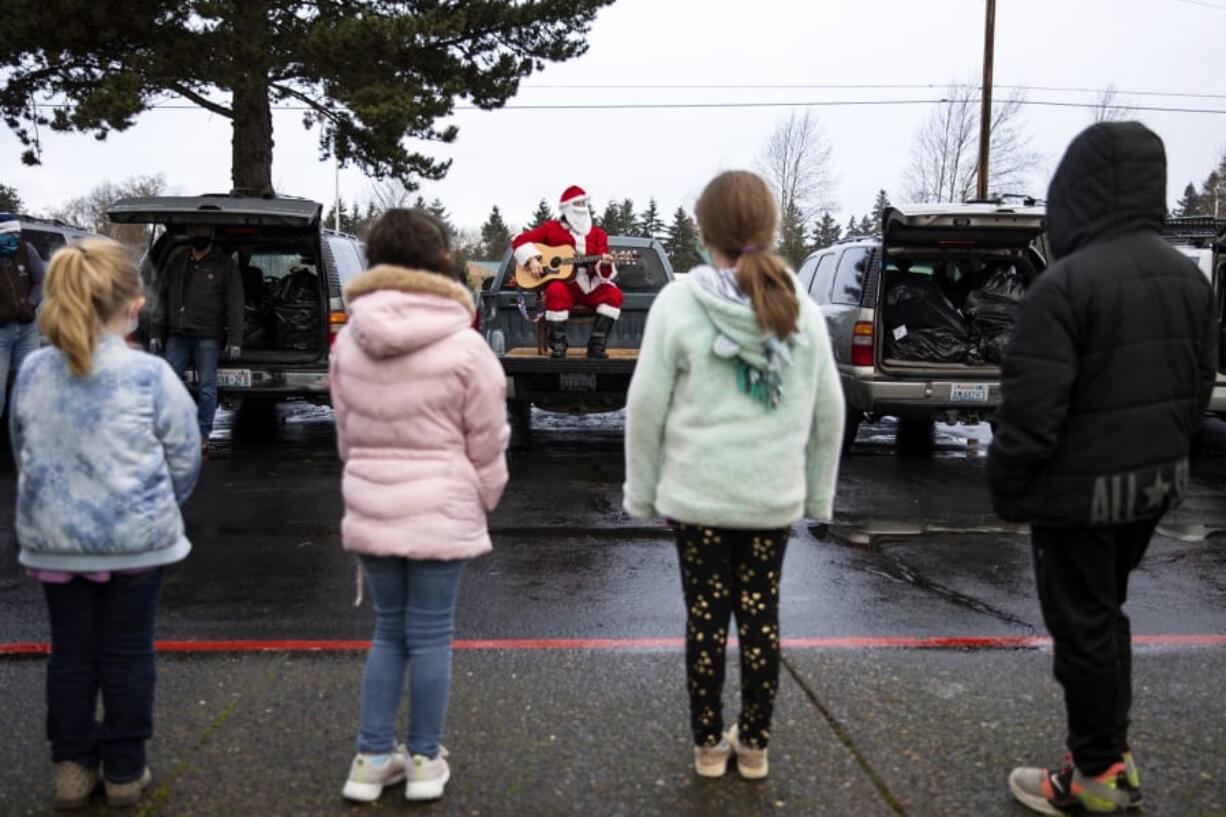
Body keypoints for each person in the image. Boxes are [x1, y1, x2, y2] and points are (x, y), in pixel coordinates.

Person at [988, 122, 1217, 815]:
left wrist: (1010, 486)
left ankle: (1093, 777)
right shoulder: (1188, 277)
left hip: (1078, 496)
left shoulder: (1065, 285)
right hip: (1149, 486)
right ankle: (1108, 752)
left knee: (1081, 626)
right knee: (1105, 616)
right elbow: (1198, 385)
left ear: (1076, 192)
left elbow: (1032, 408)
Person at [623, 170, 845, 780]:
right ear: (769, 227)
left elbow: (646, 405)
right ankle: (754, 747)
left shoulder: (677, 303)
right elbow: (830, 410)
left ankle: (706, 748)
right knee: (760, 617)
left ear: (703, 231)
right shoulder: (797, 304)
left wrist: (642, 492)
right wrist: (817, 495)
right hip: (771, 498)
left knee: (704, 618)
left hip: (697, 498)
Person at [9, 238, 201, 810]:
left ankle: (71, 768)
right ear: (135, 303)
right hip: (136, 545)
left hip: (56, 544)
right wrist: (162, 503)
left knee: (70, 655)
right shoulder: (149, 375)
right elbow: (185, 456)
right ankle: (123, 770)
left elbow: (25, 451)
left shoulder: (33, 371)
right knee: (127, 655)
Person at [329, 208, 509, 803]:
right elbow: (487, 438)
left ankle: (371, 759)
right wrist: (483, 494)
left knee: (387, 632)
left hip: (373, 506)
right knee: (432, 636)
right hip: (442, 508)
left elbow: (346, 435)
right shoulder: (465, 345)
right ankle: (426, 761)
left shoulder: (348, 343)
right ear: (438, 259)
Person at [151, 225, 244, 451]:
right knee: (168, 385)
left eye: (201, 233)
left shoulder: (224, 265)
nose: (197, 237)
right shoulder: (178, 263)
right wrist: (156, 333)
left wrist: (234, 339)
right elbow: (162, 299)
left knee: (207, 388)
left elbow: (234, 304)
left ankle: (202, 436)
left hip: (207, 336)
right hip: (178, 334)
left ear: (211, 236)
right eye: (193, 233)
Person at [511, 185, 622, 359]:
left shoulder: (598, 234)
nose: (583, 208)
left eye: (585, 203)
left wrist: (605, 263)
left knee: (613, 294)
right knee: (555, 291)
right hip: (564, 284)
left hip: (589, 284)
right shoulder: (551, 228)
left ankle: (596, 346)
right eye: (578, 204)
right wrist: (532, 259)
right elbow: (520, 241)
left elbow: (603, 272)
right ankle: (558, 345)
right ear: (567, 208)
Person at [0, 213, 46, 424]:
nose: (14, 238)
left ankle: (27, 436)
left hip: (27, 330)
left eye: (17, 233)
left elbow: (40, 282)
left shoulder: (27, 249)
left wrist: (30, 303)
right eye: (9, 234)